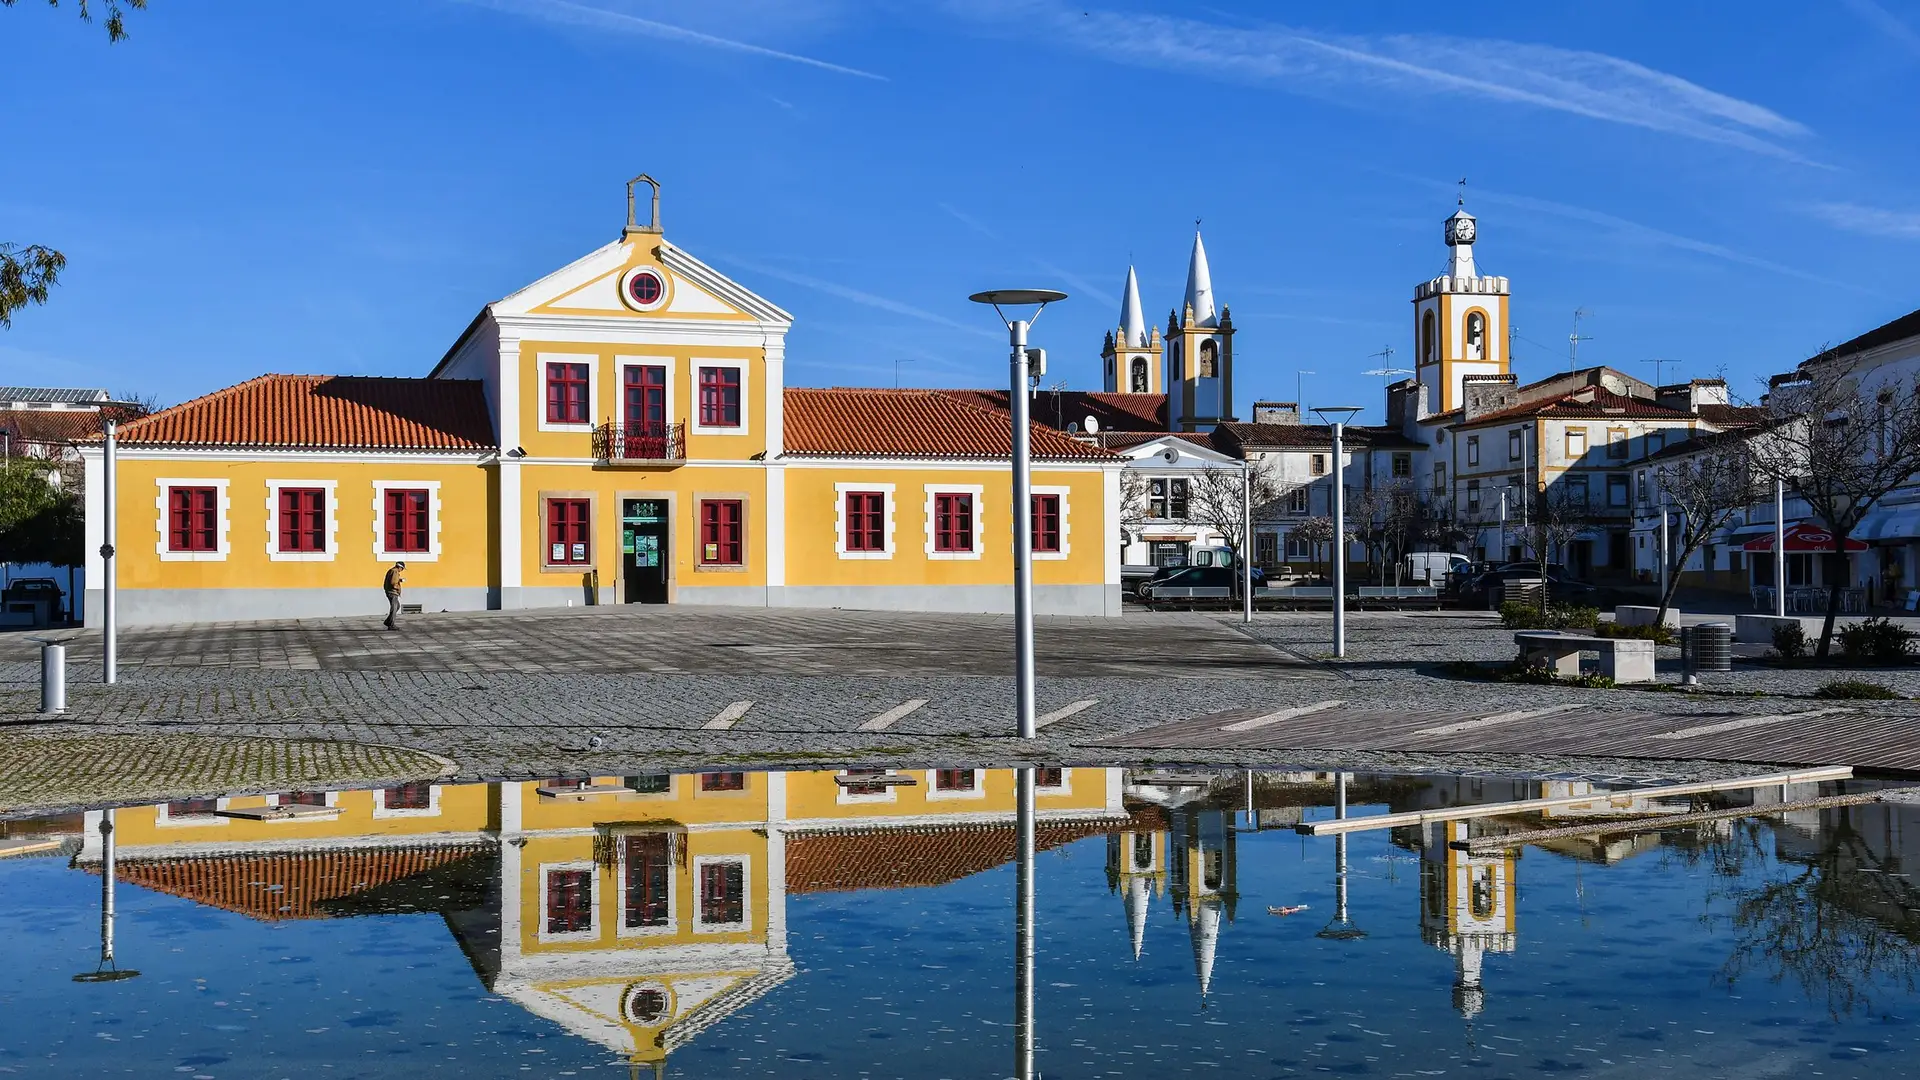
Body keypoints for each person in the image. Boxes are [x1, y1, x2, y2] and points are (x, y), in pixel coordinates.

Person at [382, 561, 406, 630]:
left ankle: (388, 621)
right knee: (394, 608)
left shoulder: (392, 571)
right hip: (393, 592)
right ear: (400, 567)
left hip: (390, 591)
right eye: (402, 568)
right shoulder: (395, 572)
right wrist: (398, 588)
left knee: (397, 606)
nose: (402, 570)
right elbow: (393, 583)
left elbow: (393, 580)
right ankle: (391, 625)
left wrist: (399, 580)